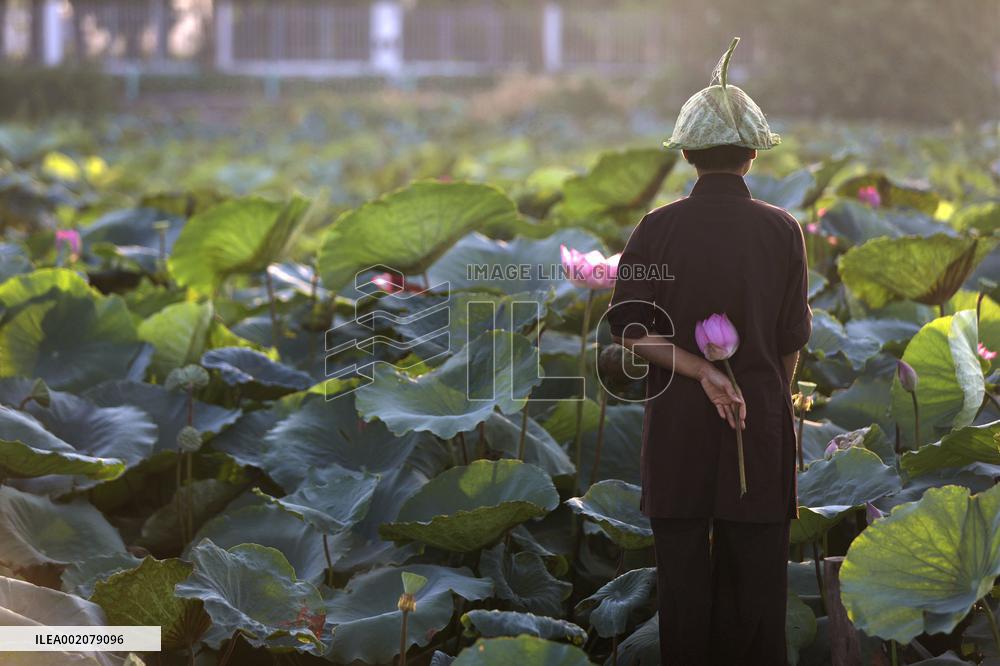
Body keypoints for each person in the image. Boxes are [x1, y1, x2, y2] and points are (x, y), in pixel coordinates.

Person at [606, 38, 812, 665]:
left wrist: (697, 371)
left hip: (678, 432)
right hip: (759, 424)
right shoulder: (782, 230)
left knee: (684, 596)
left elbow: (631, 329)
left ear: (688, 155)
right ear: (752, 154)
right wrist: (771, 409)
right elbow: (789, 345)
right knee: (759, 596)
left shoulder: (657, 228)